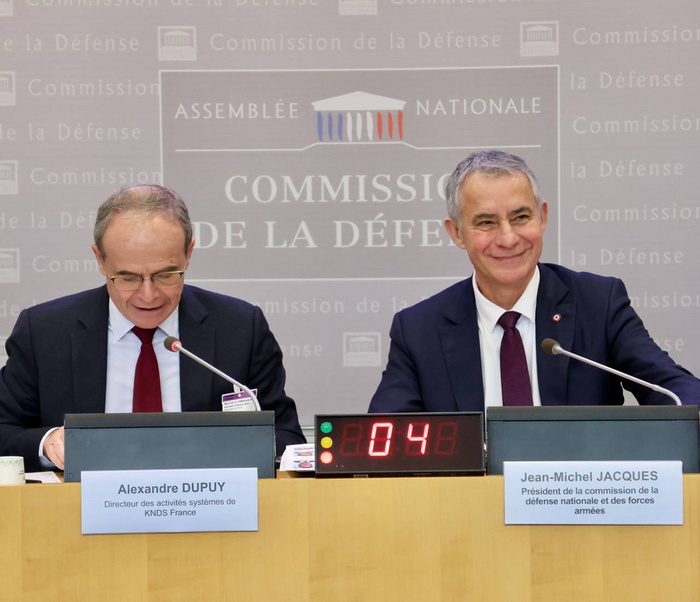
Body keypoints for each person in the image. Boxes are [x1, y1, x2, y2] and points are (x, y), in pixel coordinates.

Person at [0, 185, 305, 471]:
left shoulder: (239, 328)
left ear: (189, 253)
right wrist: (48, 442)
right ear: (100, 260)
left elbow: (288, 438)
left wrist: (231, 447)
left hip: (205, 509)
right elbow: (4, 430)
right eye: (128, 277)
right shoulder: (44, 331)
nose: (148, 295)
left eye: (165, 275)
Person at [369, 150, 700, 414]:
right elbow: (385, 438)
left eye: (520, 217)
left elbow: (674, 390)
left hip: (579, 497)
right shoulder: (418, 330)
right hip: (466, 498)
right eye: (486, 222)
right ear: (456, 232)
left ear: (542, 217)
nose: (508, 238)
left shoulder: (598, 304)